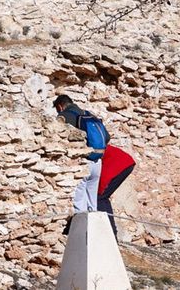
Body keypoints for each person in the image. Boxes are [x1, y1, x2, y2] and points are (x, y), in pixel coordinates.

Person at [54, 94, 135, 234]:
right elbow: (107, 137)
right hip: (99, 160)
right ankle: (99, 235)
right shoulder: (88, 115)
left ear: (60, 106)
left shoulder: (65, 116)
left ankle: (90, 234)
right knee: (94, 201)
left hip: (88, 163)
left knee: (90, 199)